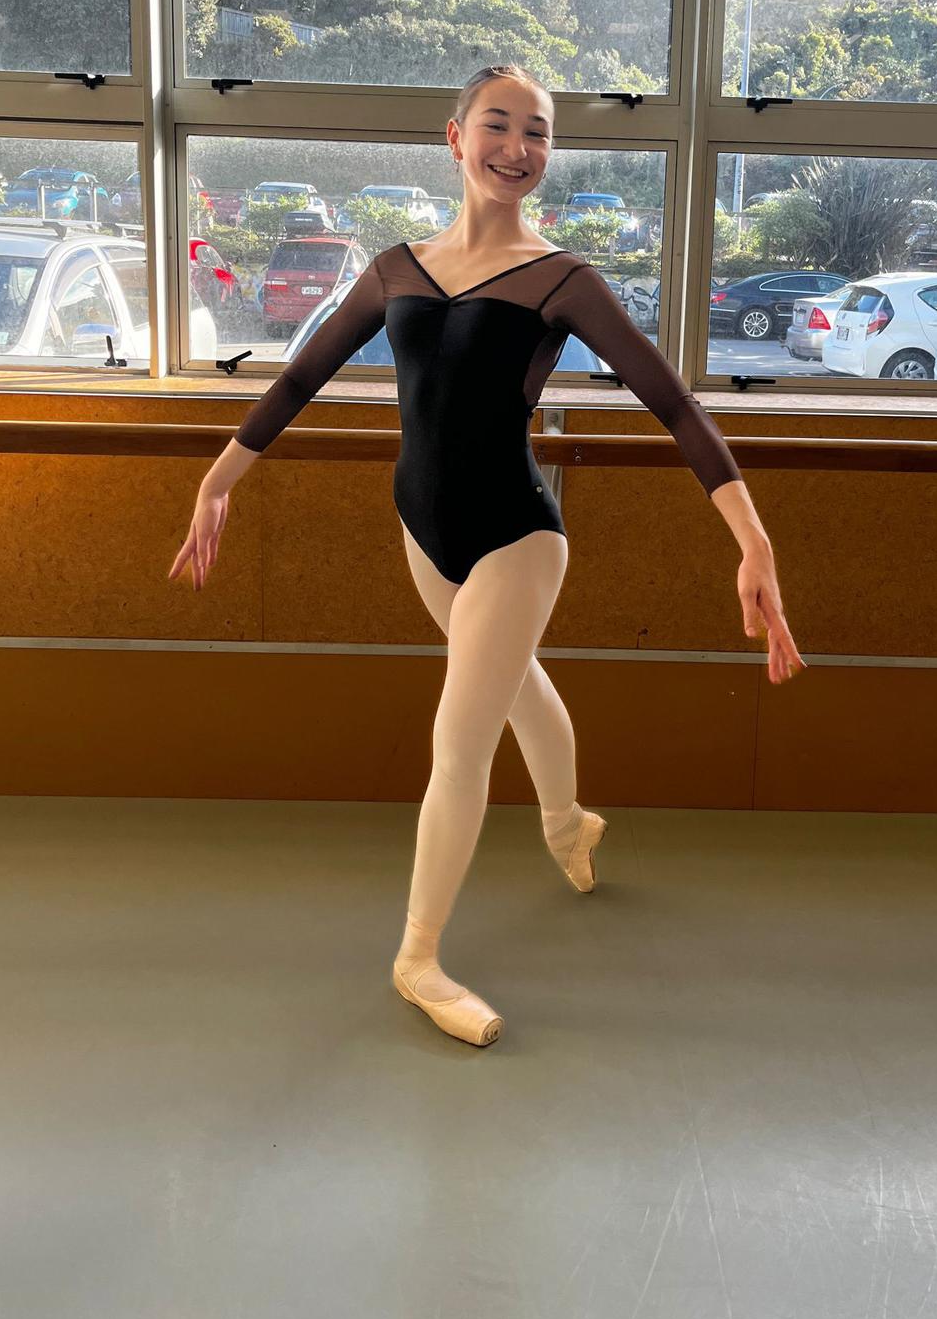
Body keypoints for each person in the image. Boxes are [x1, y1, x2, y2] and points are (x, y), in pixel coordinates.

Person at [168, 64, 804, 1049]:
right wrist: (220, 480)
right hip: (423, 530)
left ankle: (416, 956)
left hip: (516, 534)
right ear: (456, 137)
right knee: (515, 687)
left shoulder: (560, 280)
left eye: (537, 132)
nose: (518, 148)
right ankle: (567, 823)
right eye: (499, 125)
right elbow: (299, 378)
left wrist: (751, 538)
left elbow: (675, 405)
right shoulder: (396, 269)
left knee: (458, 742)